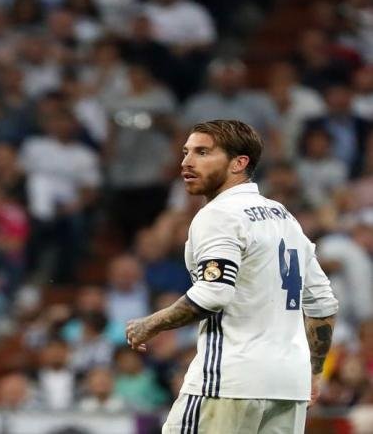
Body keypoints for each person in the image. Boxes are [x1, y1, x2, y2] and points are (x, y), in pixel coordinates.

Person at [125, 120, 339, 433]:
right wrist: (314, 371)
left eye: (202, 152)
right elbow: (322, 303)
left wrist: (150, 324)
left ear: (239, 163)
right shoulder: (285, 217)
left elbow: (214, 293)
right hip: (288, 386)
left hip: (229, 381)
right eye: (186, 152)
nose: (186, 162)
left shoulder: (219, 215)